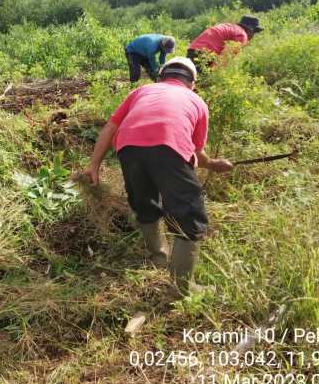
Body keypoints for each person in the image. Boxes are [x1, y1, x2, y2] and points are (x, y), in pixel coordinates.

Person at [82, 56, 233, 296]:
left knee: (145, 204)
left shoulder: (142, 91)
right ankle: (181, 288)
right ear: (192, 83)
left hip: (128, 148)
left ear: (161, 76)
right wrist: (213, 164)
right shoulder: (196, 101)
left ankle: (159, 259)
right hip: (168, 147)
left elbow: (111, 127)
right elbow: (195, 151)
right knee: (189, 215)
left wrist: (94, 165)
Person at [187, 15, 263, 72]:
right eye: (254, 32)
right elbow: (225, 58)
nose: (253, 35)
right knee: (201, 85)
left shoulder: (231, 27)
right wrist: (213, 75)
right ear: (250, 30)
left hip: (192, 50)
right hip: (205, 55)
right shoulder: (242, 35)